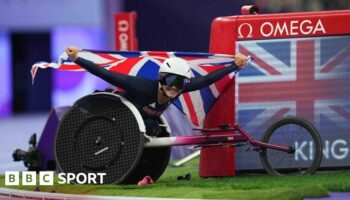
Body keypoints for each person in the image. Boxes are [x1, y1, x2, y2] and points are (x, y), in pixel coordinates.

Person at [65, 46, 248, 136]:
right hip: (112, 116)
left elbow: (207, 79)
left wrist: (234, 65)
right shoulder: (141, 86)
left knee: (154, 128)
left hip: (140, 124)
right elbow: (106, 74)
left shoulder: (180, 88)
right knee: (149, 126)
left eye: (180, 83)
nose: (174, 87)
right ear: (161, 79)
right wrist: (77, 58)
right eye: (170, 81)